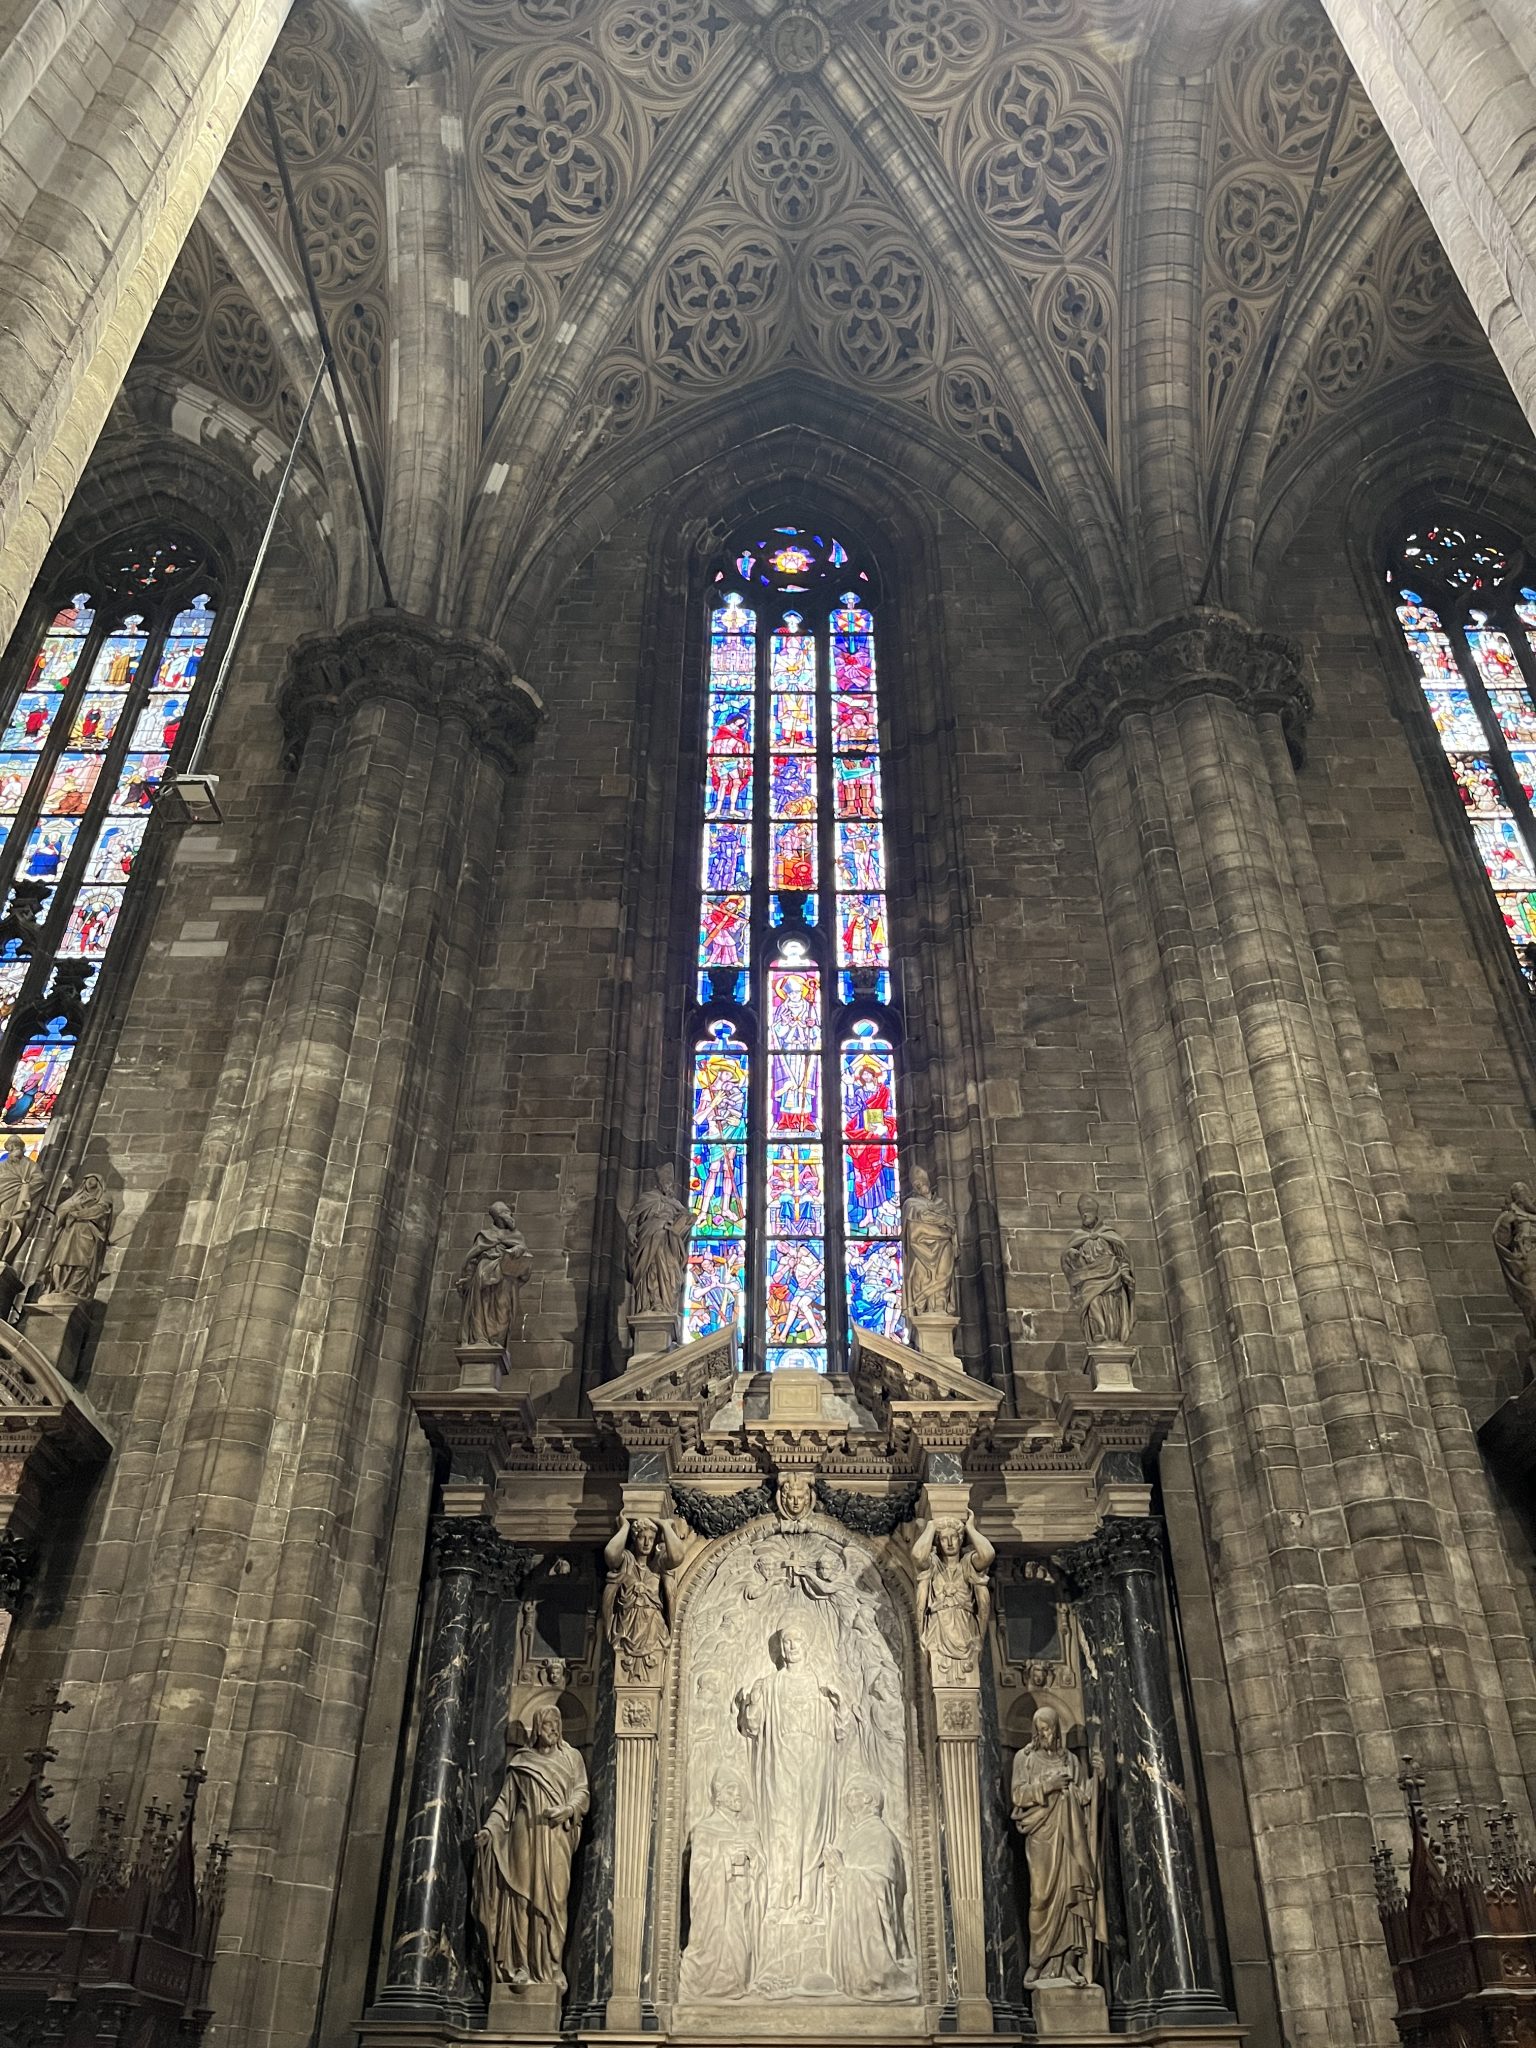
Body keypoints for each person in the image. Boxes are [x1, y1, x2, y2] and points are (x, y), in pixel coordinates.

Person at [735, 1627, 853, 1922]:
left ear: (806, 1644)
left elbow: (840, 1732)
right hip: (779, 1767)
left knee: (810, 1834)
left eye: (797, 1640)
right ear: (781, 1648)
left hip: (814, 1769)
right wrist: (750, 1704)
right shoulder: (769, 1685)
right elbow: (752, 1727)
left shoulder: (820, 1686)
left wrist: (840, 1706)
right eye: (786, 1641)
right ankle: (778, 1901)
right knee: (780, 1831)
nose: (792, 1646)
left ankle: (809, 1904)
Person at [472, 1705, 588, 1991]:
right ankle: (521, 1965)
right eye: (548, 1724)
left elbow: (582, 1792)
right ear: (537, 1728)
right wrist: (489, 1831)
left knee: (555, 1901)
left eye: (557, 1723)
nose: (554, 1729)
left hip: (557, 1836)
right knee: (521, 1899)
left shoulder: (572, 1758)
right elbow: (505, 1805)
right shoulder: (522, 1762)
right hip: (524, 1833)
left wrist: (568, 1809)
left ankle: (551, 1967)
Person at [1010, 1705, 1104, 1989]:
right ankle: (1038, 1962)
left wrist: (1097, 1778)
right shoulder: (1025, 1759)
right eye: (1040, 1730)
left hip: (1070, 1837)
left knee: (1070, 1895)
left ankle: (1068, 1963)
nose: (1044, 1735)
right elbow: (1017, 1795)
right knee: (1041, 1897)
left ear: (1057, 1730)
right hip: (1041, 1835)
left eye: (1048, 1729)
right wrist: (1048, 1786)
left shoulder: (1071, 1760)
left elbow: (1085, 1799)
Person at [677, 1773, 761, 2000]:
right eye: (731, 1790)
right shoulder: (705, 1829)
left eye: (739, 1789)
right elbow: (698, 1872)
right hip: (714, 1904)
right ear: (718, 1796)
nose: (738, 1794)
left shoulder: (750, 1830)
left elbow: (763, 1869)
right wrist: (726, 1858)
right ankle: (708, 1983)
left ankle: (736, 1983)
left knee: (739, 1942)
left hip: (741, 1902)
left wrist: (752, 1856)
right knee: (714, 1940)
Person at [826, 1780, 913, 1998]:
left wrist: (843, 1871)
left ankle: (875, 1977)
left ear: (869, 1799)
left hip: (871, 1924)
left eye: (854, 1790)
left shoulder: (879, 1834)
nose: (848, 1795)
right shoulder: (858, 1833)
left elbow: (879, 1884)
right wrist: (836, 1872)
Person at [911, 1512, 995, 1683]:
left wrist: (970, 1528)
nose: (949, 1543)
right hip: (939, 1629)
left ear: (960, 1539)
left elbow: (987, 1555)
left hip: (964, 1629)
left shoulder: (968, 1564)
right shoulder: (934, 1565)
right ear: (938, 1542)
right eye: (943, 1539)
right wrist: (931, 1526)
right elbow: (918, 1556)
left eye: (954, 1537)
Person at [454, 1200, 533, 1349]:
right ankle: (481, 1339)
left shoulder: (517, 1236)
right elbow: (472, 1259)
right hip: (484, 1272)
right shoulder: (484, 1236)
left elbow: (525, 1258)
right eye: (506, 1213)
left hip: (506, 1277)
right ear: (498, 1217)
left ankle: (496, 1339)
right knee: (481, 1306)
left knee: (504, 1309)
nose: (510, 1216)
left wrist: (517, 1251)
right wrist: (468, 1277)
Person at [1060, 1194, 1135, 1347]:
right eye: (1083, 1214)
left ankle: (1111, 1336)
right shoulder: (1078, 1237)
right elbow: (1067, 1257)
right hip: (1089, 1278)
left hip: (1112, 1275)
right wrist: (1071, 1255)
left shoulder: (1109, 1234)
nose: (1085, 1216)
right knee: (1092, 1301)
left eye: (1087, 1213)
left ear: (1095, 1214)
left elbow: (1122, 1258)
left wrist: (1125, 1274)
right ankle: (1099, 1332)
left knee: (1111, 1304)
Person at [625, 1163, 690, 1319]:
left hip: (668, 1242)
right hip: (648, 1238)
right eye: (666, 1181)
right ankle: (652, 1303)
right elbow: (633, 1220)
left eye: (670, 1182)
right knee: (651, 1269)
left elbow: (685, 1220)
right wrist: (631, 1232)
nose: (668, 1185)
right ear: (659, 1181)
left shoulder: (675, 1203)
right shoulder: (647, 1198)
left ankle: (665, 1303)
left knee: (670, 1272)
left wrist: (685, 1219)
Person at [40, 1171, 113, 1301]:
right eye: (87, 1179)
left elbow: (100, 1211)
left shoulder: (104, 1197)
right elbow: (61, 1209)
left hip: (87, 1233)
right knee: (59, 1261)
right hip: (69, 1233)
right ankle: (59, 1287)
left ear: (99, 1183)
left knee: (82, 1261)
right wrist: (71, 1210)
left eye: (93, 1179)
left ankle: (73, 1289)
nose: (90, 1182)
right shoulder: (76, 1197)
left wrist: (77, 1214)